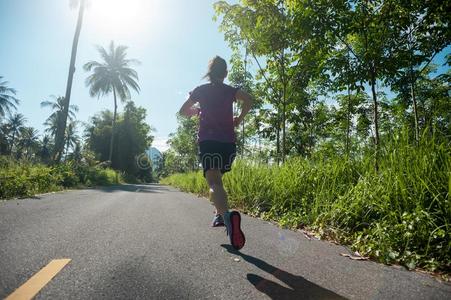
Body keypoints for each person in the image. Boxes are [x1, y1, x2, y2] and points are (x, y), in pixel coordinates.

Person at [179, 56, 253, 250]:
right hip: (228, 144)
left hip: (209, 142)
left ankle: (227, 218)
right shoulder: (230, 91)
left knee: (213, 183)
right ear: (226, 73)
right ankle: (219, 215)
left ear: (209, 73)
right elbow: (249, 100)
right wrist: (239, 119)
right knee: (218, 181)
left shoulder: (201, 91)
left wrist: (197, 111)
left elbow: (182, 111)